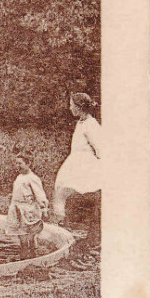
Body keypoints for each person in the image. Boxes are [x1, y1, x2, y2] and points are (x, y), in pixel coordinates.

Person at [52, 92, 102, 226]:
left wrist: (96, 166)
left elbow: (101, 148)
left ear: (79, 107)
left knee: (64, 191)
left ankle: (65, 223)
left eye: (72, 105)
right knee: (61, 190)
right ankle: (61, 222)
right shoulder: (81, 122)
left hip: (84, 164)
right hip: (75, 161)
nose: (70, 108)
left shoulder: (91, 124)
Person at [7, 150, 49, 258]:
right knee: (21, 234)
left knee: (29, 234)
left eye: (20, 163)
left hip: (28, 209)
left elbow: (40, 195)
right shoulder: (19, 177)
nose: (17, 166)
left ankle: (31, 255)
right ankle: (24, 254)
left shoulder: (33, 178)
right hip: (17, 209)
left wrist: (43, 208)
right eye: (16, 163)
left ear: (28, 163)